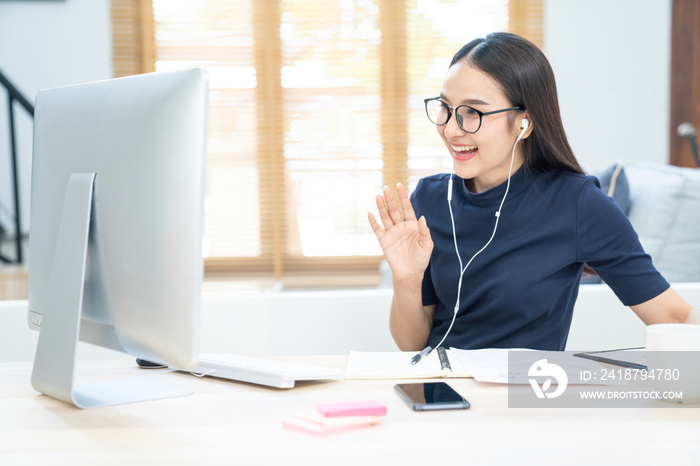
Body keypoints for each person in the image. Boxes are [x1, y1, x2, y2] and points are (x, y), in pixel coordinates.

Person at [368, 32, 699, 352]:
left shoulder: (577, 203)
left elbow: (675, 315)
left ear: (524, 122)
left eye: (473, 112)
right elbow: (411, 344)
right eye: (446, 108)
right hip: (442, 396)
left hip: (524, 398)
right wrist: (407, 280)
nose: (451, 129)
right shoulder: (429, 198)